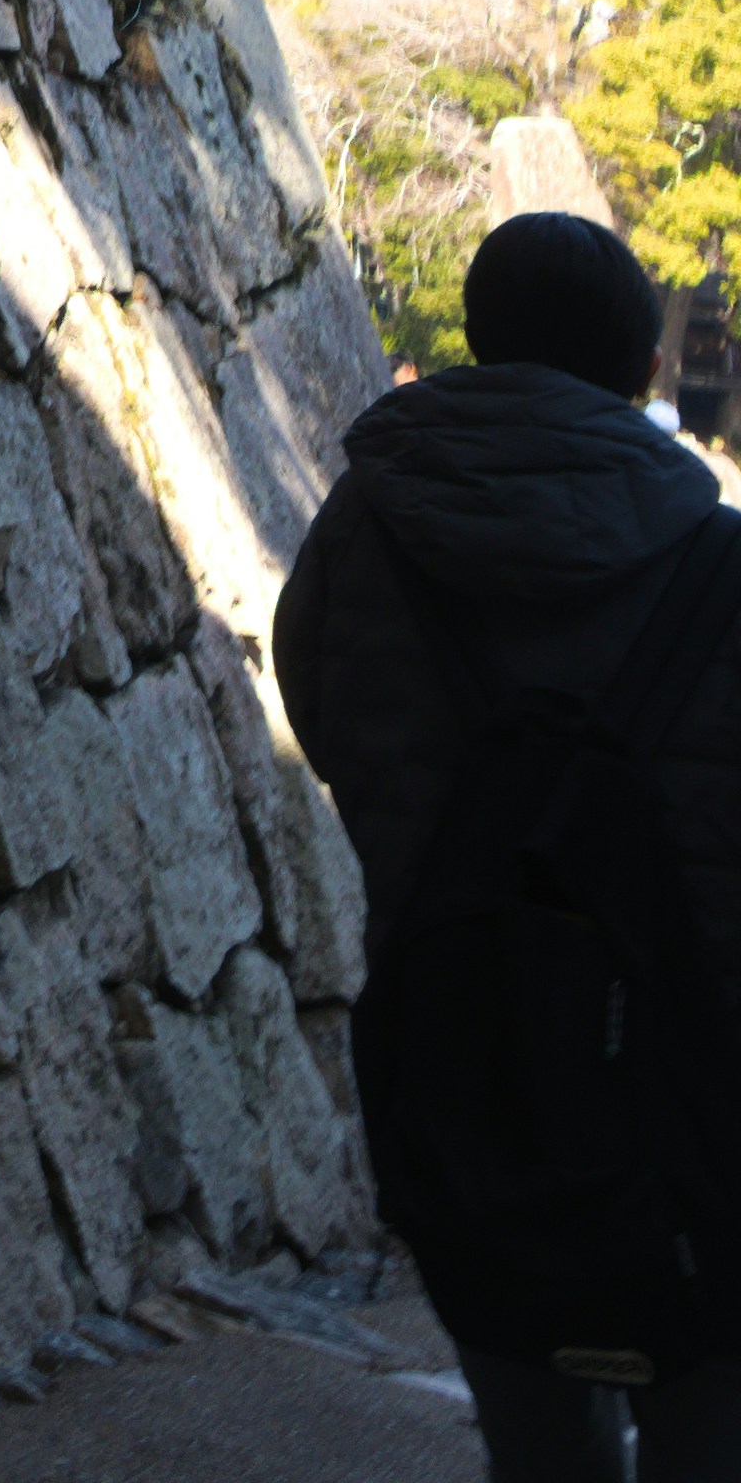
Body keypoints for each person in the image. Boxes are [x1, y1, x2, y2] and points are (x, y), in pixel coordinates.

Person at [279, 214, 741, 1483]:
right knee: (709, 1416)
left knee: (532, 1425)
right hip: (700, 1090)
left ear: (480, 338)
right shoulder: (717, 562)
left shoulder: (365, 533)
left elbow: (324, 716)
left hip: (464, 1053)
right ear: (643, 366)